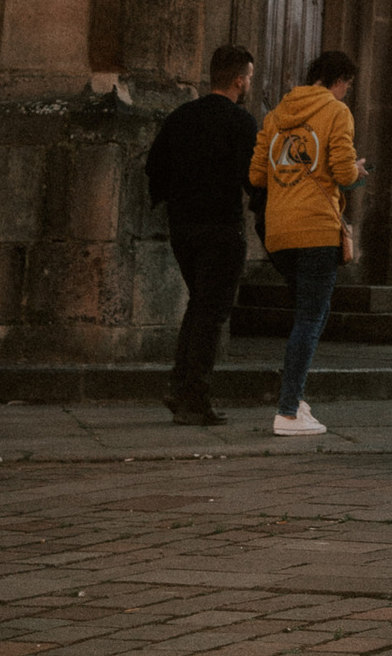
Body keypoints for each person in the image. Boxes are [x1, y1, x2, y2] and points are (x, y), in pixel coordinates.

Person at [249, 52, 360, 438]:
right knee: (311, 319)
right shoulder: (336, 112)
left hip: (278, 234)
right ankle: (287, 411)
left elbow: (256, 174)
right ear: (339, 79)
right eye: (348, 84)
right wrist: (358, 171)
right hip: (315, 230)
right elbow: (344, 172)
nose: (347, 92)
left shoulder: (276, 113)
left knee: (304, 316)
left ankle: (296, 399)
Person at [145, 44, 255, 426]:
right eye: (249, 77)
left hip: (183, 228)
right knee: (211, 313)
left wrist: (170, 199)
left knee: (199, 306)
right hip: (221, 228)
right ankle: (195, 397)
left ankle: (180, 386)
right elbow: (250, 177)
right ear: (240, 79)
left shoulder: (181, 116)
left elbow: (155, 165)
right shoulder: (240, 122)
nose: (248, 83)